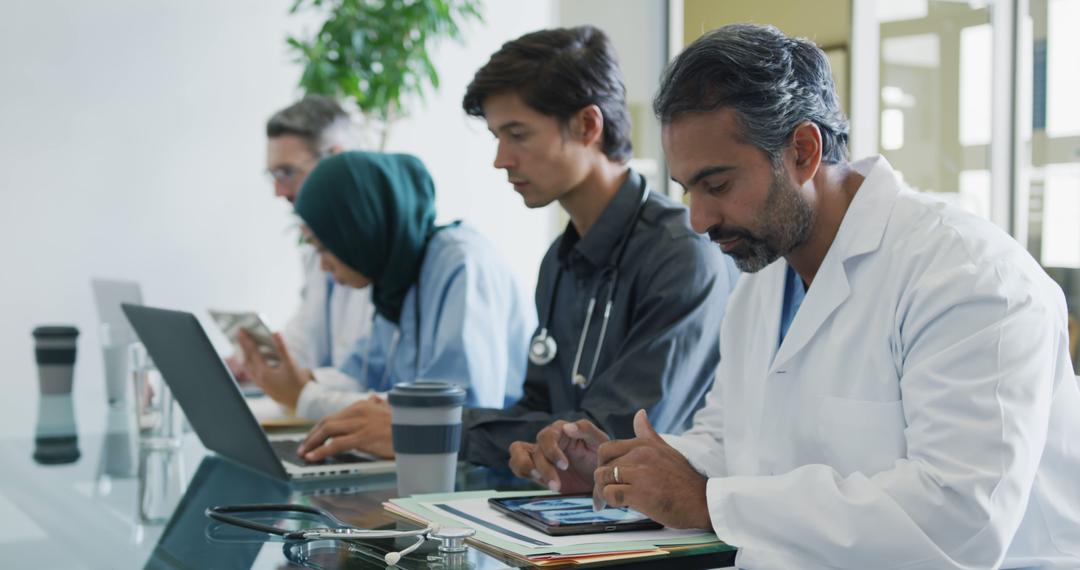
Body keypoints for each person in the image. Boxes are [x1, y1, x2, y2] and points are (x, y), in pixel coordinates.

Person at [510, 23, 1080, 569]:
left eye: (718, 184)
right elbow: (733, 443)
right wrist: (622, 472)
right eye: (688, 189)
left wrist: (710, 501)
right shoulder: (765, 279)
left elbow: (961, 523)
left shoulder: (970, 278)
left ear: (804, 150)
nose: (699, 218)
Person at [444, 25, 738, 470]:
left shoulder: (681, 253)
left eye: (517, 134)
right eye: (496, 137)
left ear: (587, 125)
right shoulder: (559, 262)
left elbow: (611, 436)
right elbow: (537, 414)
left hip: (660, 529)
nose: (500, 159)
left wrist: (440, 430)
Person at [241, 151, 534, 458]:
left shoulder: (463, 266)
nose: (323, 266)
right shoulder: (395, 283)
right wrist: (298, 380)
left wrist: (305, 396)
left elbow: (454, 416)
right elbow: (364, 375)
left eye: (324, 247)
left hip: (489, 479)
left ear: (357, 230)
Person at [228, 95, 375, 387]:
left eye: (286, 173)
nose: (278, 192)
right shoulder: (314, 253)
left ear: (336, 159)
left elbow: (370, 377)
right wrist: (252, 362)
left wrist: (301, 385)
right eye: (272, 175)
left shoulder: (387, 254)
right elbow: (305, 340)